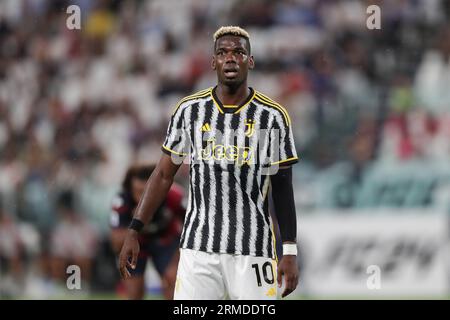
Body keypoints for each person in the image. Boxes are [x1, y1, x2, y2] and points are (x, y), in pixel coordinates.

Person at [119, 26, 299, 300]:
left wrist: (289, 251)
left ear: (249, 61)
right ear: (212, 61)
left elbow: (283, 187)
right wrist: (134, 229)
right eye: (223, 52)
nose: (230, 58)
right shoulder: (190, 111)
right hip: (198, 249)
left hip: (254, 249)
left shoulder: (272, 117)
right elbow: (164, 175)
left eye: (238, 52)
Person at [110, 164, 184, 299]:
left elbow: (191, 225)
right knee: (134, 291)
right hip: (135, 243)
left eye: (147, 193)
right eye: (138, 193)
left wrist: (179, 254)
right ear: (130, 188)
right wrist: (138, 224)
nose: (143, 199)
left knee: (172, 279)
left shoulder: (174, 196)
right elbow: (116, 242)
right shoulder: (121, 201)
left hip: (166, 239)